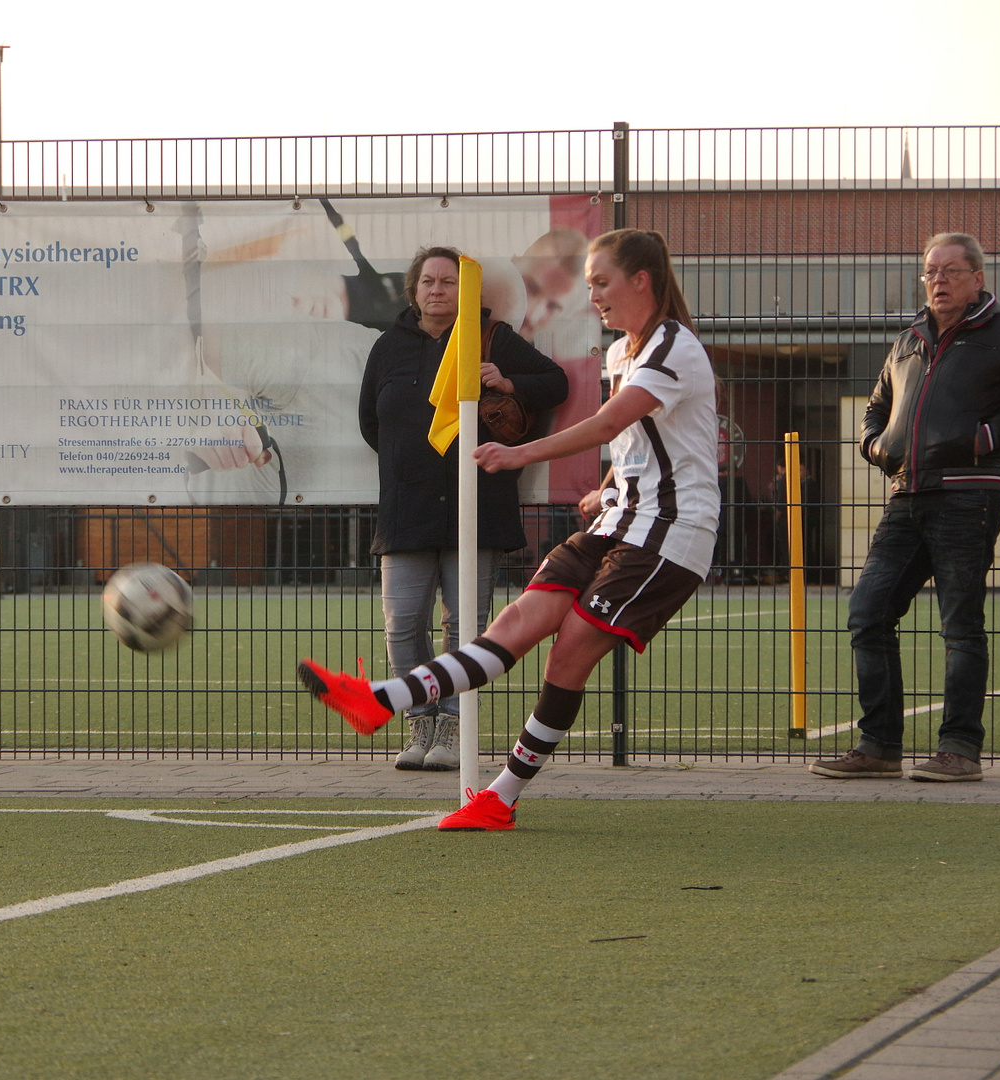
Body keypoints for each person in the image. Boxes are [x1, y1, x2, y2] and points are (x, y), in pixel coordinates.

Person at [301, 229, 719, 827]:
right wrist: (607, 486)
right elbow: (634, 439)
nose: (594, 294)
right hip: (619, 520)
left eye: (601, 282)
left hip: (671, 532)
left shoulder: (673, 346)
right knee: (515, 624)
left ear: (641, 282)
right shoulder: (622, 353)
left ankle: (500, 796)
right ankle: (378, 702)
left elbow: (608, 424)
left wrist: (519, 453)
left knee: (570, 649)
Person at [812, 233, 1000, 782]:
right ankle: (879, 748)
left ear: (979, 279)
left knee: (959, 624)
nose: (939, 280)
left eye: (952, 271)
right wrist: (876, 446)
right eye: (931, 271)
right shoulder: (908, 340)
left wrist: (982, 439)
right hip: (907, 494)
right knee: (868, 612)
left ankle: (959, 749)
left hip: (970, 494)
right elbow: (877, 407)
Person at [359, 246, 569, 770]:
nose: (437, 290)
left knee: (465, 628)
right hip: (405, 509)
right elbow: (370, 422)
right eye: (428, 281)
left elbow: (556, 384)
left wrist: (506, 380)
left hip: (476, 504)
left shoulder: (491, 337)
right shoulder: (388, 346)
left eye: (448, 282)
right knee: (401, 624)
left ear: (467, 290)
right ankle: (420, 725)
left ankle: (453, 728)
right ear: (413, 291)